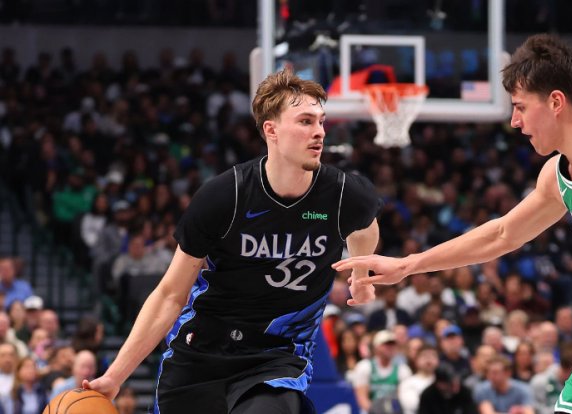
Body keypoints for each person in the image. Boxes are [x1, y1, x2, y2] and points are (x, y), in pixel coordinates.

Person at [334, 33, 572, 413]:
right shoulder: (556, 176)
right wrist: (408, 265)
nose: (514, 121)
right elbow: (502, 234)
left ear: (556, 102)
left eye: (520, 107)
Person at [84, 68, 381, 414]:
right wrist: (115, 376)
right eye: (305, 121)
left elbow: (365, 227)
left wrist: (361, 276)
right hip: (201, 352)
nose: (319, 132)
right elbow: (170, 294)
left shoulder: (344, 194)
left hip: (275, 357)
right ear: (271, 130)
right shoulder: (227, 196)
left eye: (321, 121)